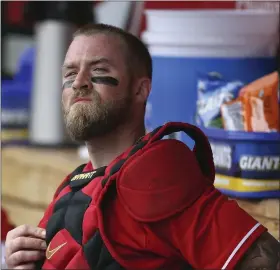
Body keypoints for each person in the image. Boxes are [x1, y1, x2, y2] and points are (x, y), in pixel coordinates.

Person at [5, 23, 279, 270]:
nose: (78, 82)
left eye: (99, 70)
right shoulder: (73, 185)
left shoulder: (156, 175)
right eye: (70, 73)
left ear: (141, 90)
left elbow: (264, 261)